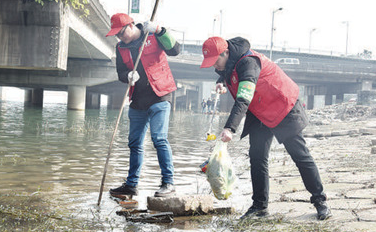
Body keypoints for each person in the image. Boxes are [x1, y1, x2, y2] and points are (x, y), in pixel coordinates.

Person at [200, 36, 331, 220]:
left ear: (226, 52)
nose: (214, 67)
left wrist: (230, 128)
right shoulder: (230, 59)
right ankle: (260, 207)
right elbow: (227, 70)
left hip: (283, 105)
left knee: (300, 154)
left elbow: (243, 98)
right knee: (257, 157)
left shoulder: (248, 63)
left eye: (215, 61)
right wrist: (220, 81)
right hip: (260, 109)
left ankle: (320, 201)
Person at [106, 13, 180, 198]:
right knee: (134, 143)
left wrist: (161, 31)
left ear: (131, 25)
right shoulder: (120, 48)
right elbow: (120, 72)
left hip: (160, 95)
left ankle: (168, 183)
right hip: (137, 100)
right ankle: (131, 185)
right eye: (117, 35)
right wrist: (127, 76)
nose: (120, 37)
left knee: (159, 139)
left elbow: (175, 50)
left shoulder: (152, 36)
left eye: (121, 32)